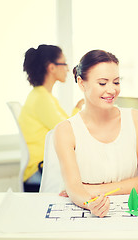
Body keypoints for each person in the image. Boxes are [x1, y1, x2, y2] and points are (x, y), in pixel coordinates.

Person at [54, 50, 138, 217]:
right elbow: (73, 188)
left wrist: (96, 189)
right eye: (102, 83)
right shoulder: (65, 131)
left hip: (133, 211)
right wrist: (89, 201)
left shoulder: (136, 119)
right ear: (81, 83)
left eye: (116, 82)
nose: (112, 90)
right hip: (89, 213)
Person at [19, 44, 84, 192]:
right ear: (52, 67)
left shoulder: (43, 96)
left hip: (42, 166)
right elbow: (68, 130)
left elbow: (65, 124)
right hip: (40, 170)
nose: (68, 69)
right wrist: (79, 108)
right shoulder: (41, 99)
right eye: (64, 63)